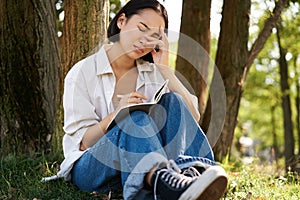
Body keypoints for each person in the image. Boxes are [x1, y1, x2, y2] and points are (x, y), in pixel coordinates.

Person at [46, 0, 228, 199]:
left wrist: (165, 69)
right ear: (122, 21)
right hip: (91, 167)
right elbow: (83, 143)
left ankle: (185, 178)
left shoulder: (151, 72)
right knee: (135, 120)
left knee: (174, 100)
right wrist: (117, 115)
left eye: (154, 36)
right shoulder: (82, 72)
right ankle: (169, 183)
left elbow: (191, 116)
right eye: (142, 28)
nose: (145, 39)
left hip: (134, 170)